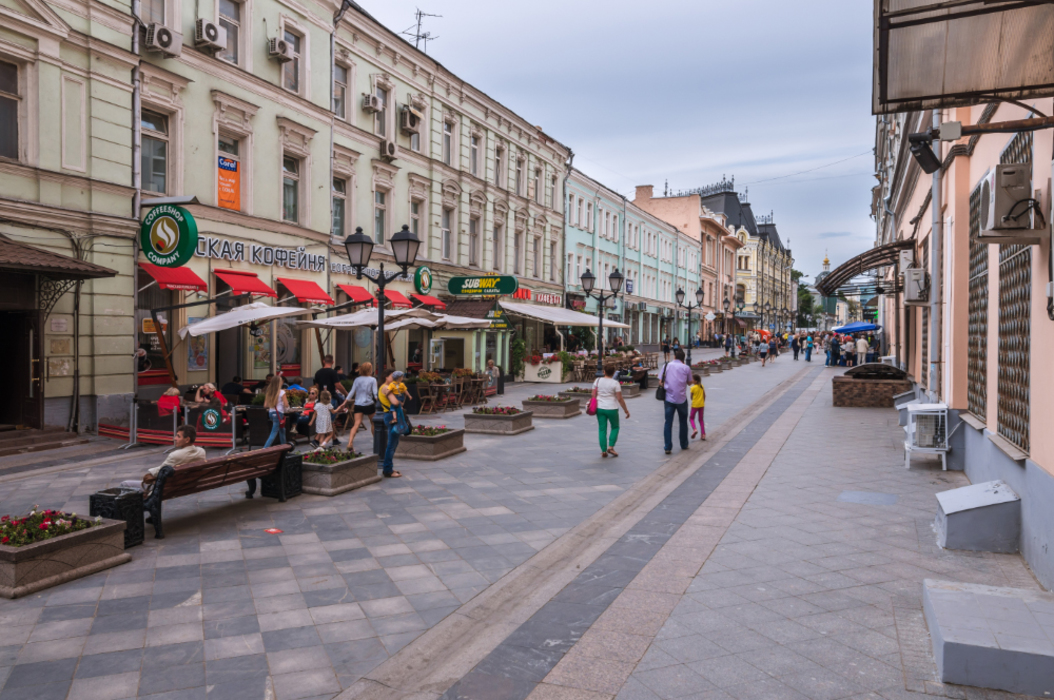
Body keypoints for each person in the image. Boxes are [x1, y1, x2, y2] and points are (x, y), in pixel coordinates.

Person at [119, 425, 205, 491]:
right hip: (189, 484)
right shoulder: (201, 452)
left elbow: (159, 472)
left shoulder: (175, 455)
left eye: (178, 436)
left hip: (168, 487)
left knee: (125, 484)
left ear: (187, 440)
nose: (175, 438)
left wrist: (150, 472)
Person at [591, 366, 630, 458]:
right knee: (615, 427)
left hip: (600, 407)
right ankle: (611, 447)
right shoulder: (615, 383)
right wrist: (626, 410)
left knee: (602, 429)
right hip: (612, 408)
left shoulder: (597, 381)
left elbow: (593, 394)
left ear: (604, 371)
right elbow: (619, 398)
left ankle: (603, 451)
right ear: (613, 373)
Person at [338, 362, 378, 446]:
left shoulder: (357, 379)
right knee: (373, 423)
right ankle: (376, 442)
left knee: (356, 424)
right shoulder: (373, 380)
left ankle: (350, 442)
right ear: (370, 370)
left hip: (358, 404)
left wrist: (344, 402)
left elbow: (351, 392)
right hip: (369, 404)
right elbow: (375, 393)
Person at [662, 349, 693, 455]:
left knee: (668, 423)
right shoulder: (686, 368)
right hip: (681, 399)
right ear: (683, 359)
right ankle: (684, 444)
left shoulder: (666, 366)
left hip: (669, 398)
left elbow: (660, 381)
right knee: (683, 422)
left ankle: (667, 447)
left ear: (674, 357)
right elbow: (689, 383)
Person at [379, 369, 408, 478]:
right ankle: (388, 470)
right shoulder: (386, 388)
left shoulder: (383, 387)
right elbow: (395, 402)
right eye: (392, 376)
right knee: (392, 444)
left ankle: (388, 467)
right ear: (386, 377)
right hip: (392, 417)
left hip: (389, 415)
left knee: (393, 443)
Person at [262, 375, 286, 448]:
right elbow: (286, 404)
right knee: (274, 432)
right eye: (281, 381)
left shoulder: (269, 392)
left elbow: (265, 405)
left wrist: (272, 403)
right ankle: (264, 449)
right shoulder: (282, 392)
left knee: (282, 430)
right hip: (279, 413)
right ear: (279, 382)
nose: (282, 382)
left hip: (271, 413)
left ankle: (284, 447)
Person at [689, 374, 706, 441]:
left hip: (694, 405)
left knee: (691, 418)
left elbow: (691, 397)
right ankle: (703, 434)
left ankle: (694, 429)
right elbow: (704, 395)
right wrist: (702, 401)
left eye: (692, 379)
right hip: (701, 405)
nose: (691, 380)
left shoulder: (692, 388)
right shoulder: (702, 386)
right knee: (701, 420)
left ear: (695, 381)